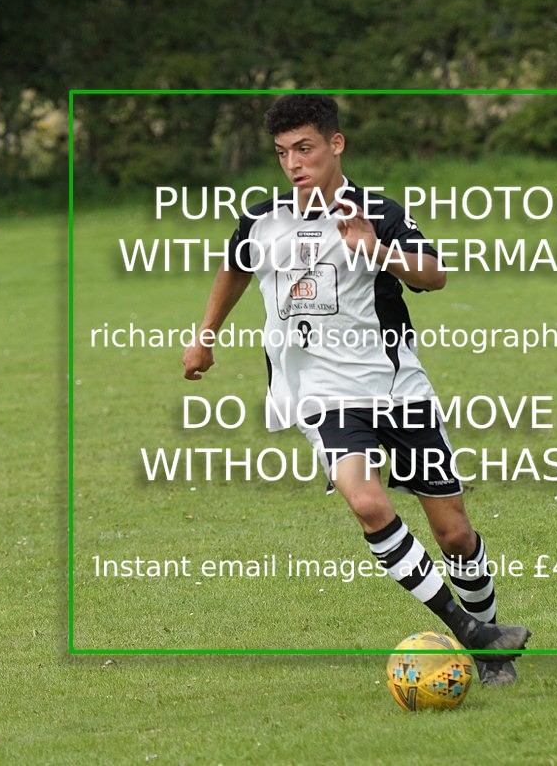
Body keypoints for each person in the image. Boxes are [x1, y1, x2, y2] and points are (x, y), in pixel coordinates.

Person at [182, 94, 530, 684]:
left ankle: (490, 637)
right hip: (318, 393)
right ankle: (467, 632)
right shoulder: (263, 221)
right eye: (282, 152)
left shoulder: (377, 211)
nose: (293, 163)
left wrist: (378, 251)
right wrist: (205, 335)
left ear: (335, 145)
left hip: (397, 388)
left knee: (455, 532)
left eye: (305, 148)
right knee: (367, 502)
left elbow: (434, 275)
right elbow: (235, 268)